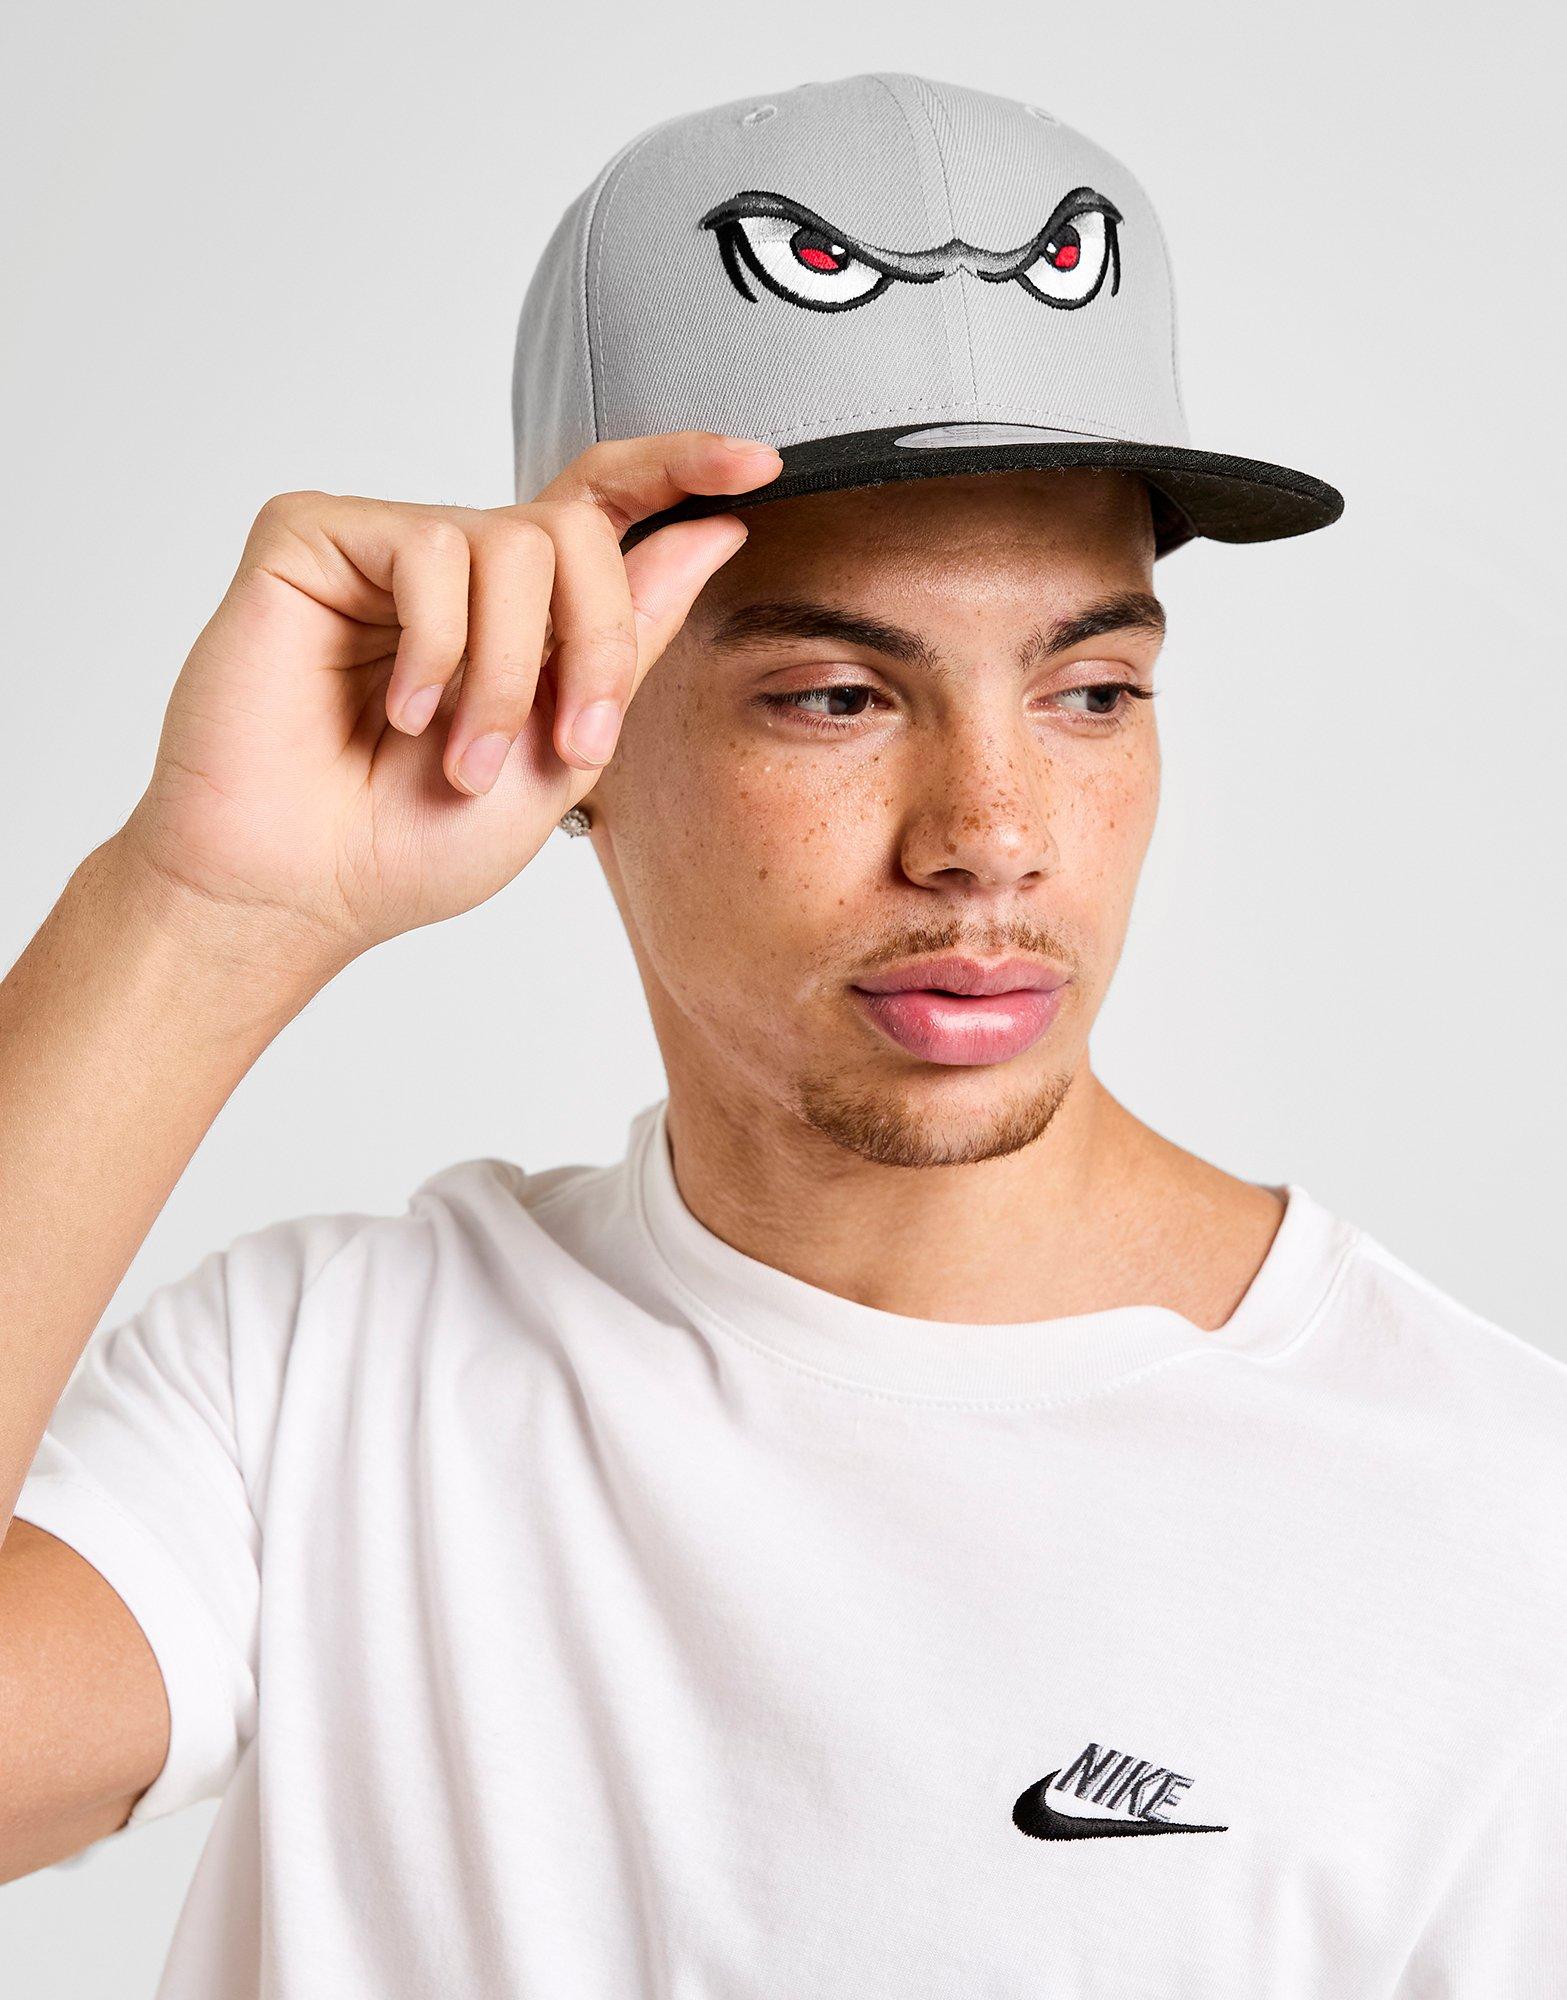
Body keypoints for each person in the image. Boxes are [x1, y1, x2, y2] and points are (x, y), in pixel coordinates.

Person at [0, 69, 1561, 2000]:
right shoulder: (327, 1387)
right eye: (836, 695)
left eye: (1088, 691)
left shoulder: (1499, 1527)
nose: (992, 834)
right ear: (575, 720)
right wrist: (200, 911)